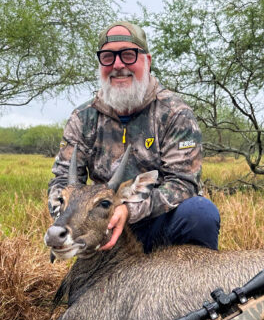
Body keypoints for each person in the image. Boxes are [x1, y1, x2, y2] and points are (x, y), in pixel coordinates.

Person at [47, 21, 220, 253]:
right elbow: (61, 182)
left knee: (201, 213)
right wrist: (67, 219)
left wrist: (128, 210)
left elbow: (183, 183)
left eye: (128, 55)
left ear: (146, 61)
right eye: (108, 57)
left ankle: (195, 282)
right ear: (100, 64)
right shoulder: (83, 118)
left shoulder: (176, 114)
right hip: (103, 225)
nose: (118, 65)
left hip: (159, 222)